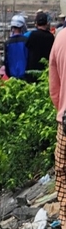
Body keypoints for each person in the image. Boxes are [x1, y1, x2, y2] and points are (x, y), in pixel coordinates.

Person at [49, 24, 66, 224]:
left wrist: (61, 110)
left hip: (65, 122)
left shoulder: (60, 38)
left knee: (62, 173)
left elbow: (54, 88)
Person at [26, 11, 55, 82]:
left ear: (36, 23)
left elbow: (27, 48)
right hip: (45, 69)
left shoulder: (32, 35)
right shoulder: (50, 37)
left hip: (33, 69)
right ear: (46, 23)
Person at [4, 15, 28, 80]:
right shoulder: (26, 41)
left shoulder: (7, 43)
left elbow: (6, 61)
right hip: (24, 74)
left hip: (12, 74)